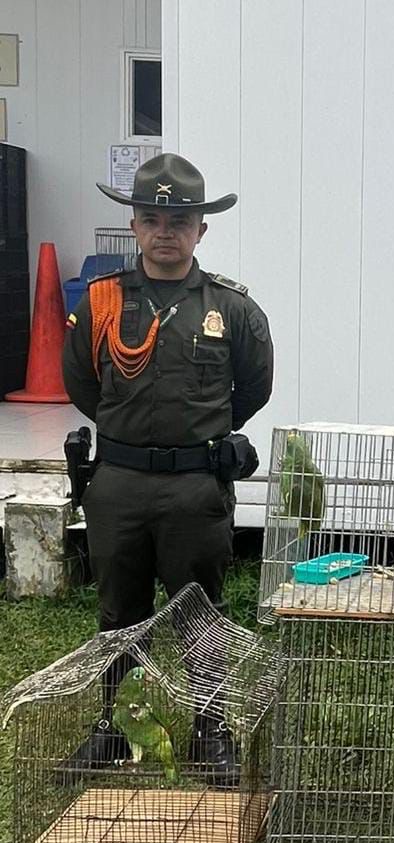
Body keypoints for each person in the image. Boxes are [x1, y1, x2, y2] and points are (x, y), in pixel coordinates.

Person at [61, 153, 274, 782]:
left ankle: (211, 732)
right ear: (133, 224)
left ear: (200, 230)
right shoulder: (102, 302)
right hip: (119, 485)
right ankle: (116, 728)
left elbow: (252, 391)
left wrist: (191, 441)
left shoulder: (232, 308)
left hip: (193, 488)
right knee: (118, 615)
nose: (164, 231)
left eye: (178, 220)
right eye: (152, 217)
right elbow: (81, 383)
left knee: (201, 616)